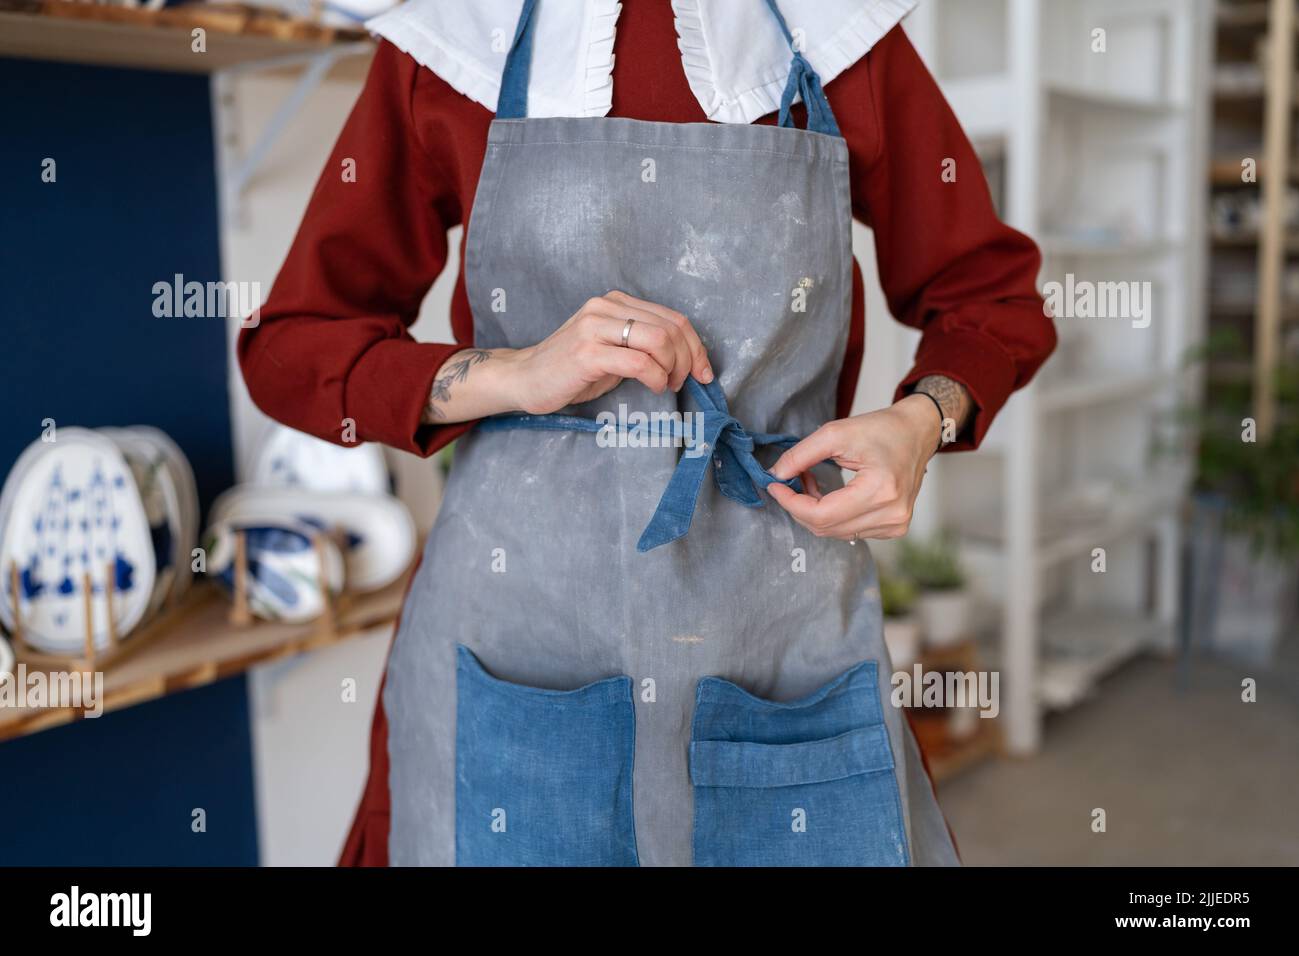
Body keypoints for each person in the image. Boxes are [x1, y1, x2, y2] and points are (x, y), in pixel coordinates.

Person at [239, 0, 1055, 867]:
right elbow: (297, 346)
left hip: (779, 627)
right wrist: (515, 373)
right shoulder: (455, 36)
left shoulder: (836, 33)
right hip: (517, 633)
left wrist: (923, 421)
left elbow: (988, 298)